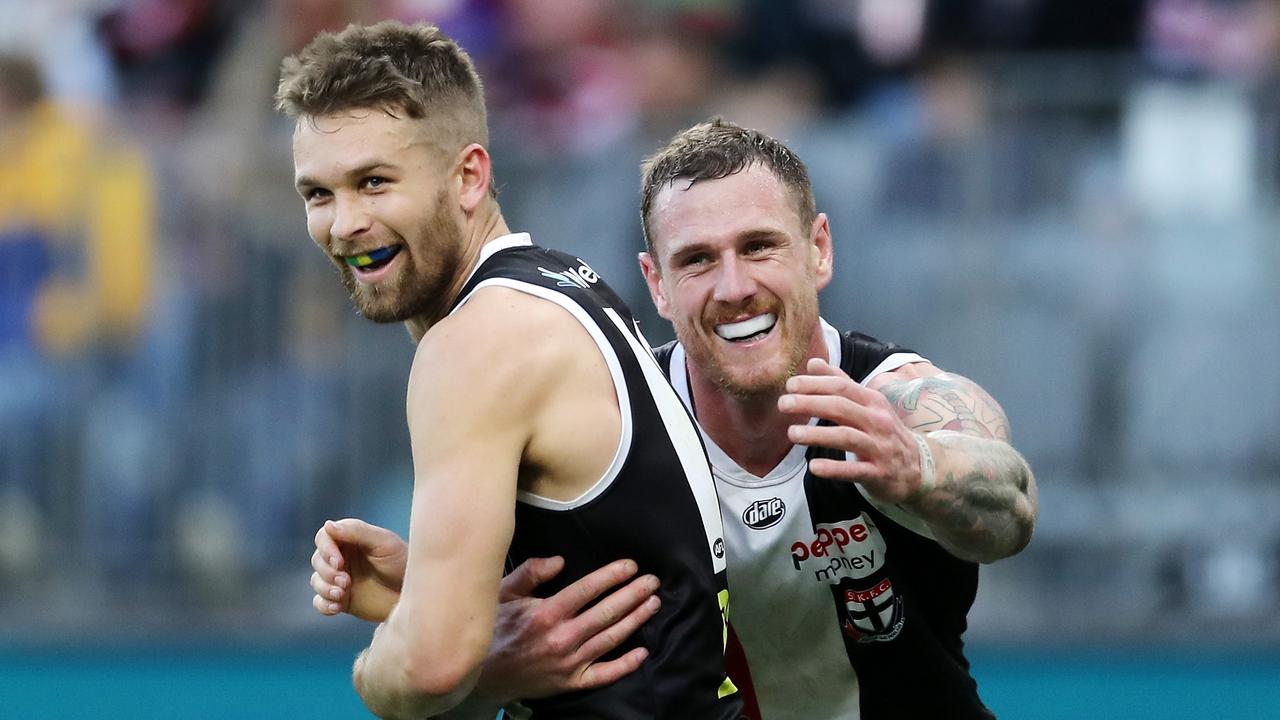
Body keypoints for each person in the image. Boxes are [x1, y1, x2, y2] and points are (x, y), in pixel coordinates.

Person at [309, 118, 1039, 719]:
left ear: (818, 250)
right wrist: (444, 616)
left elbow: (1010, 504)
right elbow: (489, 670)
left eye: (759, 247)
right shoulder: (606, 429)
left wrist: (919, 468)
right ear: (655, 284)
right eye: (696, 260)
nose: (734, 288)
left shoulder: (893, 400)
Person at [277, 22, 742, 719]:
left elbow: (435, 671)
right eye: (319, 194)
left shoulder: (475, 344)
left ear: (469, 176)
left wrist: (380, 665)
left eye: (374, 182)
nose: (344, 224)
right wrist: (428, 590)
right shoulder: (557, 281)